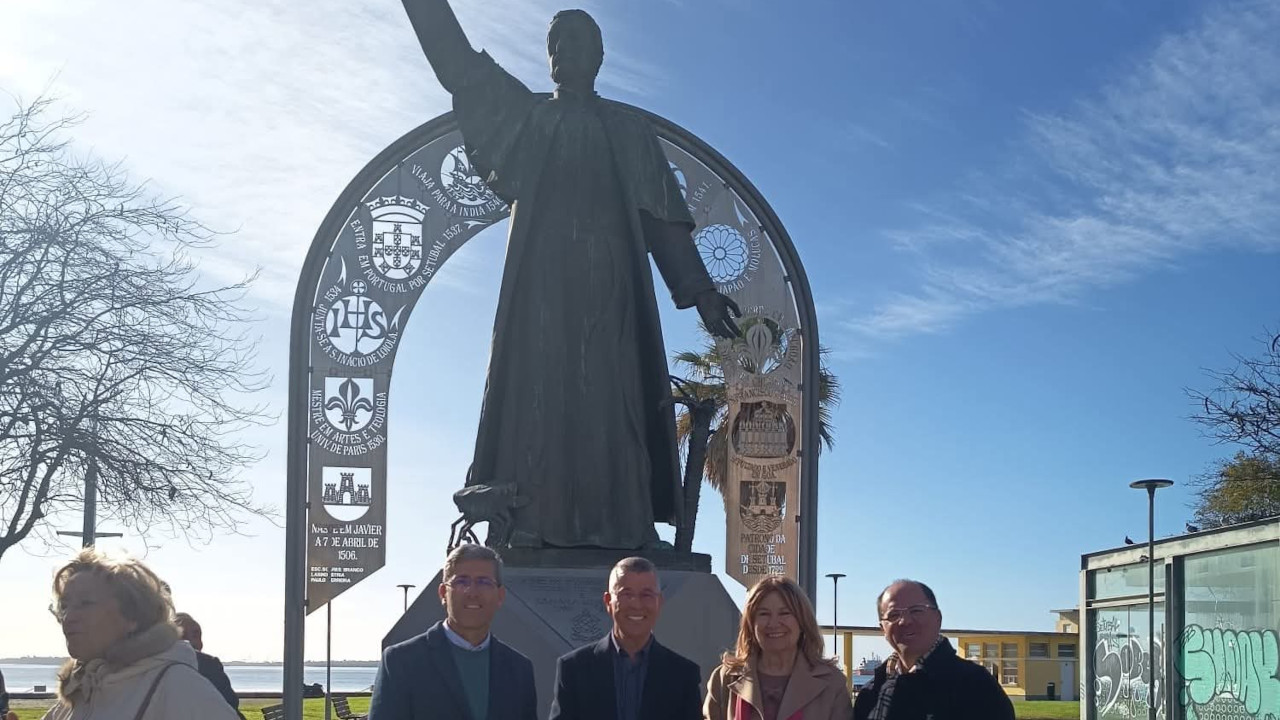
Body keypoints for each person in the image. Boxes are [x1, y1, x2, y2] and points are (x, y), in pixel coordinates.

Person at [402, 0, 742, 550]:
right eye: (557, 44)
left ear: (600, 57)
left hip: (612, 285)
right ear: (549, 58)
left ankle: (627, 527)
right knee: (539, 397)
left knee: (617, 400)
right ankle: (532, 523)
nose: (566, 53)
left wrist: (699, 290)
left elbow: (661, 216)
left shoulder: (628, 130)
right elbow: (459, 67)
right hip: (542, 284)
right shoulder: (528, 116)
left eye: (579, 42)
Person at [40, 548, 238, 720]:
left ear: (132, 615)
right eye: (64, 606)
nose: (69, 617)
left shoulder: (177, 686)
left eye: (86, 604)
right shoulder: (80, 691)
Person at [369, 544, 536, 720]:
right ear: (443, 593)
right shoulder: (400, 662)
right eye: (461, 581)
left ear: (500, 596)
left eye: (484, 582)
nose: (472, 592)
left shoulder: (519, 669)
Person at [549, 557, 701, 720]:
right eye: (626, 594)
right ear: (608, 602)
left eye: (646, 595)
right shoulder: (574, 668)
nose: (636, 604)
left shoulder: (684, 675)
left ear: (659, 602)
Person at [853, 580, 1014, 720]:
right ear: (882, 629)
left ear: (938, 618)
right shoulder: (870, 694)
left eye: (916, 611)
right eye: (894, 615)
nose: (905, 621)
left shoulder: (977, 686)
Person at [704, 576, 852, 720]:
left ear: (802, 621)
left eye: (784, 613)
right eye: (764, 614)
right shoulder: (725, 678)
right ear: (750, 623)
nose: (773, 623)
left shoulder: (831, 683)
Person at [176, 612, 245, 719]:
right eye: (195, 635)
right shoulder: (208, 665)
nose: (200, 643)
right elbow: (229, 704)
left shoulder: (150, 667)